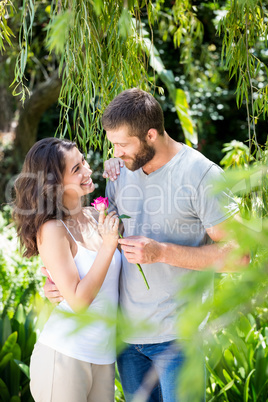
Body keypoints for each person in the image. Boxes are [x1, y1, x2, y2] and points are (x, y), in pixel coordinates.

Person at [44, 89, 247, 401]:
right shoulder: (122, 171)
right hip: (126, 341)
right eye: (113, 144)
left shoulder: (201, 175)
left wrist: (162, 252)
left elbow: (242, 255)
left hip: (178, 339)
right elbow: (95, 239)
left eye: (122, 144)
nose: (116, 152)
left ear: (151, 135)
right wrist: (59, 281)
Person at [13, 137, 121, 402]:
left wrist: (120, 165)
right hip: (64, 357)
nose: (87, 170)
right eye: (76, 169)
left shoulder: (97, 216)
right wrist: (108, 247)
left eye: (83, 161)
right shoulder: (52, 229)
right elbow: (79, 301)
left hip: (104, 358)